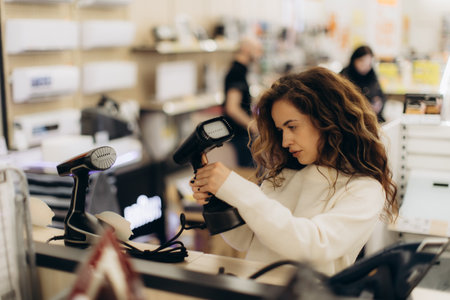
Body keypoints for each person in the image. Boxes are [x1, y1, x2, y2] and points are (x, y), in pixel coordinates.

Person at [190, 67, 398, 276]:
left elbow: (313, 246)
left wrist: (237, 188)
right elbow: (247, 239)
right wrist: (219, 200)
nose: (285, 141)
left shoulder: (364, 189)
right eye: (281, 130)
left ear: (327, 119)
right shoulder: (286, 174)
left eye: (292, 127)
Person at [223, 36, 263, 167]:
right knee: (249, 173)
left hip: (241, 133)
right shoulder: (237, 73)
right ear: (246, 49)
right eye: (257, 50)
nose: (259, 54)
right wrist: (252, 125)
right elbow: (232, 107)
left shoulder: (241, 70)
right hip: (240, 135)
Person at [340, 45, 386, 122]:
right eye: (362, 61)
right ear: (354, 60)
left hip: (372, 119)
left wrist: (379, 103)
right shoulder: (344, 76)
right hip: (351, 120)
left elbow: (380, 95)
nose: (365, 66)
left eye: (368, 64)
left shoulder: (371, 74)